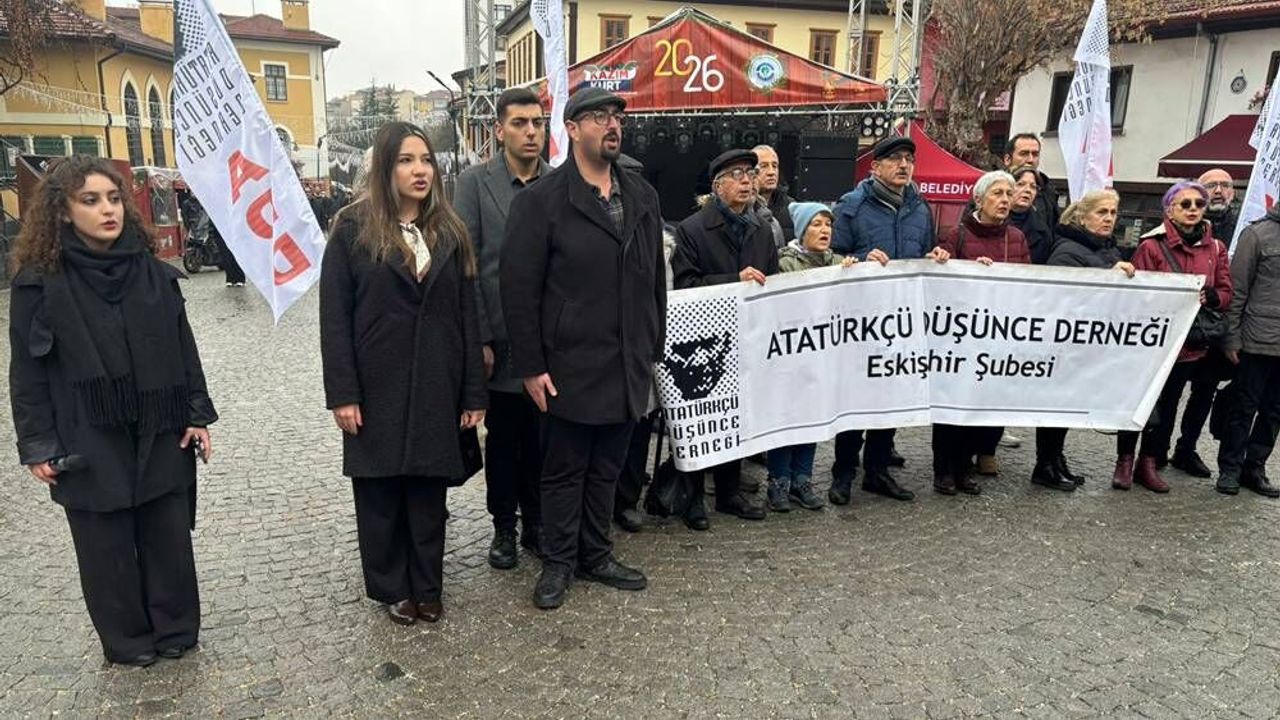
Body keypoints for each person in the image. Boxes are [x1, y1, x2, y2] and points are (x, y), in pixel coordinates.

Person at [8, 156, 216, 666]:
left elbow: (183, 348)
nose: (108, 210)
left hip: (160, 421)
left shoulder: (155, 273)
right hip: (86, 428)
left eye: (114, 198)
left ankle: (176, 628)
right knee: (105, 543)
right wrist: (39, 443)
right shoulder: (39, 283)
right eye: (91, 200)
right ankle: (127, 640)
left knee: (166, 532)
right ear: (62, 211)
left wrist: (196, 414)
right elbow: (28, 372)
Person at [501, 87, 666, 610]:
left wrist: (652, 345)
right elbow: (518, 290)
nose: (612, 125)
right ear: (571, 129)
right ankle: (558, 561)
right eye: (598, 117)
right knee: (563, 470)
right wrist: (531, 365)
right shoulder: (540, 201)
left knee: (607, 468)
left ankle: (596, 553)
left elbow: (654, 279)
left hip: (627, 360)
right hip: (568, 362)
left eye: (616, 116)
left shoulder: (641, 195)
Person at [320, 122, 487, 626]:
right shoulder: (352, 229)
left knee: (427, 491)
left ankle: (428, 584)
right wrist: (343, 393)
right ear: (385, 167)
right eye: (406, 160)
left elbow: (468, 315)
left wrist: (472, 392)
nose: (420, 170)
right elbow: (335, 318)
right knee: (380, 492)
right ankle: (393, 586)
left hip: (437, 381)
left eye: (426, 160)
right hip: (377, 385)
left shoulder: (450, 231)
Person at [454, 87, 551, 569]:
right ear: (499, 130)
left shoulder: (559, 181)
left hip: (550, 341)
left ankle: (536, 522)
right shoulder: (475, 184)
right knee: (506, 439)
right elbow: (466, 265)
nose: (531, 132)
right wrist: (481, 339)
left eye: (537, 123)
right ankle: (503, 527)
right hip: (501, 341)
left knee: (542, 438)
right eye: (519, 123)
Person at [830, 135, 950, 504]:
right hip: (862, 320)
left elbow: (923, 251)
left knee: (891, 398)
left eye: (909, 160)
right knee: (856, 399)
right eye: (895, 159)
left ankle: (877, 471)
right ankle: (843, 473)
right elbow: (832, 257)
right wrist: (858, 261)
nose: (904, 165)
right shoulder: (851, 206)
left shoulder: (920, 208)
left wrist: (935, 257)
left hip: (903, 321)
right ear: (875, 167)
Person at [671, 148, 778, 527]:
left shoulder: (762, 230)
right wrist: (735, 281)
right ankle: (693, 499)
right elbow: (685, 285)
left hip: (746, 339)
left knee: (738, 418)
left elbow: (774, 284)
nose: (746, 180)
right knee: (701, 422)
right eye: (736, 174)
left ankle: (729, 493)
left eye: (749, 172)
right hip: (702, 345)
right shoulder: (692, 229)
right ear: (717, 186)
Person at [1110, 181, 1232, 492]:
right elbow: (1137, 294)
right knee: (1138, 400)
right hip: (1152, 342)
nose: (1193, 209)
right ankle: (1125, 460)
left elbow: (1226, 292)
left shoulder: (1215, 248)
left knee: (1168, 404)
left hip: (1188, 344)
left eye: (1198, 204)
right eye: (1185, 204)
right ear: (1170, 210)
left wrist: (1212, 296)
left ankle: (1148, 462)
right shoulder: (1151, 246)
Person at [934, 171, 1031, 494]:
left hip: (998, 336)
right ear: (979, 199)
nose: (1005, 200)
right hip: (961, 338)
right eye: (997, 193)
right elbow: (942, 283)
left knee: (980, 406)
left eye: (1008, 194)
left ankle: (964, 468)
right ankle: (943, 470)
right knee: (952, 406)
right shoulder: (956, 234)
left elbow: (1028, 282)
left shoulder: (1016, 238)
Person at [1037, 189, 1136, 492]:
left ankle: (1056, 459)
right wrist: (1107, 275)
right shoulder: (1067, 250)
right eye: (1101, 212)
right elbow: (1063, 297)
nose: (1108, 218)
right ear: (1082, 216)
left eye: (1113, 213)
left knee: (1068, 405)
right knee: (1056, 406)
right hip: (1064, 344)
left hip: (1085, 344)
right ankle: (1045, 464)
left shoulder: (1106, 249)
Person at [765, 201, 856, 512]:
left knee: (812, 418)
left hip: (822, 359)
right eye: (816, 224)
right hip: (790, 359)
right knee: (786, 418)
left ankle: (802, 479)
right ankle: (779, 480)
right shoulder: (784, 264)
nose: (824, 230)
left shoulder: (839, 262)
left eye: (828, 224)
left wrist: (859, 269)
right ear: (802, 230)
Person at [1216, 202, 1280, 498]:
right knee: (1243, 408)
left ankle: (1255, 467)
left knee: (1274, 412)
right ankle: (1230, 468)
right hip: (1256, 340)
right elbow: (1237, 290)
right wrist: (1231, 338)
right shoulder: (1256, 234)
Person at [1002, 133, 1059, 229]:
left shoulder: (1047, 191)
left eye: (1035, 154)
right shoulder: (990, 189)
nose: (1030, 160)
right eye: (1024, 154)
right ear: (1007, 159)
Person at [1009, 165, 1055, 265]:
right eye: (1020, 184)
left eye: (1033, 187)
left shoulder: (1042, 231)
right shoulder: (994, 220)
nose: (1028, 190)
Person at [754, 144, 797, 242]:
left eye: (774, 166)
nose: (771, 172)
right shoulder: (741, 206)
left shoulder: (791, 207)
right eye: (764, 166)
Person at [1198, 168, 1239, 244]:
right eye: (1211, 186)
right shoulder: (1187, 226)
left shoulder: (1242, 226)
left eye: (1225, 185)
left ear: (1233, 193)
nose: (1218, 190)